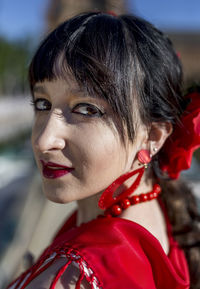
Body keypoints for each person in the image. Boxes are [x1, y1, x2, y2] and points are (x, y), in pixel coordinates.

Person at [7, 11, 200, 289]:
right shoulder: (160, 211)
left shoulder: (72, 277)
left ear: (153, 136)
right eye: (42, 104)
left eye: (86, 109)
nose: (43, 140)